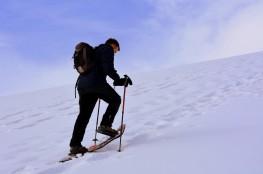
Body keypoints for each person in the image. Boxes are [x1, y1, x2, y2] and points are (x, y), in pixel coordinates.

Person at [69, 38, 132, 154]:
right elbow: (108, 68)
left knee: (83, 116)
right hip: (96, 84)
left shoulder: (94, 51)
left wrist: (115, 80)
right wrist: (119, 80)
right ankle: (105, 126)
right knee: (116, 100)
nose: (116, 52)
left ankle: (75, 145)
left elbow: (101, 68)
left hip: (82, 86)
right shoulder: (107, 49)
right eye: (117, 50)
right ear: (114, 45)